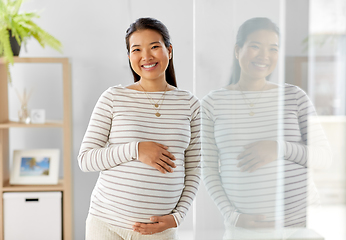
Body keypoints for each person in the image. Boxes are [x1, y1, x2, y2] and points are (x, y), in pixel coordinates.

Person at [201, 17, 332, 239]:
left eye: (273, 48)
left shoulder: (294, 96)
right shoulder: (212, 103)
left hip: (299, 227)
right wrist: (233, 216)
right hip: (244, 229)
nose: (264, 56)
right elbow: (209, 171)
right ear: (237, 50)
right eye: (255, 46)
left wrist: (279, 148)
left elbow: (324, 158)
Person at [78, 17, 201, 240]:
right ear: (129, 57)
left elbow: (194, 168)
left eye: (155, 46)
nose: (146, 56)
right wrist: (136, 149)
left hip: (158, 230)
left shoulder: (190, 104)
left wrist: (178, 216)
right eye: (137, 49)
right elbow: (86, 159)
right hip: (106, 224)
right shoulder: (113, 98)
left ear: (169, 50)